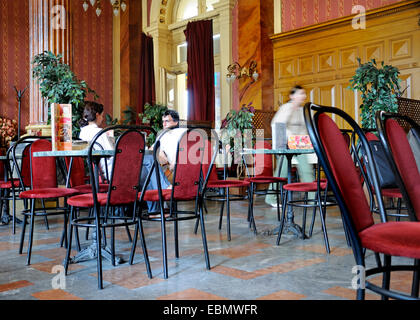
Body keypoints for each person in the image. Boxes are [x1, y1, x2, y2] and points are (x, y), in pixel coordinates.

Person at [265, 85, 315, 207]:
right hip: (284, 143)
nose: (303, 96)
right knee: (281, 172)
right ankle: (271, 198)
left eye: (304, 93)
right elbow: (278, 125)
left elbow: (306, 129)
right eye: (300, 93)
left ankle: (312, 198)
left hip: (298, 143)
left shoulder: (302, 110)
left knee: (306, 170)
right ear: (292, 96)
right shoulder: (286, 108)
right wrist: (290, 137)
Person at [79, 101, 115, 180]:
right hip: (111, 171)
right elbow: (112, 153)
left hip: (98, 172)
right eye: (102, 116)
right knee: (147, 162)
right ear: (97, 115)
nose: (102, 119)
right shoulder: (100, 133)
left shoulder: (83, 132)